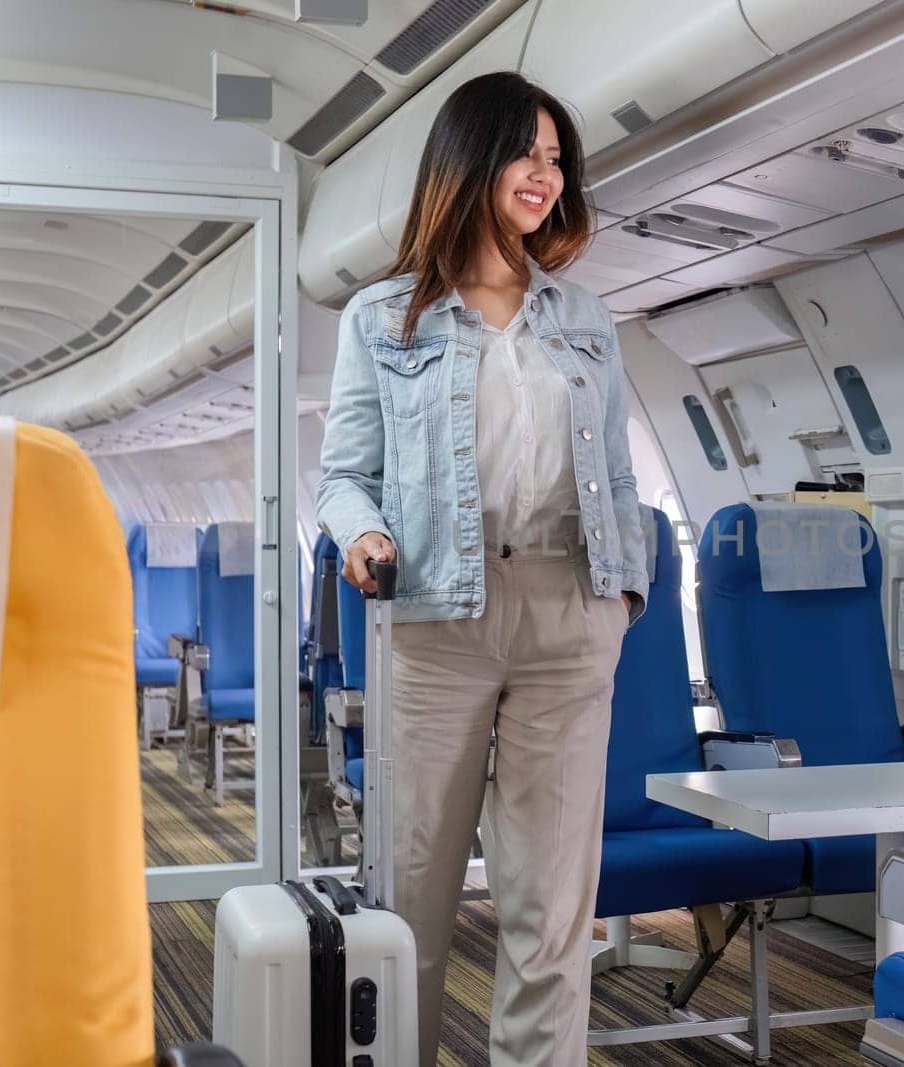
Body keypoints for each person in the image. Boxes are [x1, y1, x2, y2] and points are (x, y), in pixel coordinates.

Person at [315, 70, 647, 1067]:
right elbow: (341, 475)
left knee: (549, 902)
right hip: (438, 610)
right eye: (525, 152)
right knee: (412, 895)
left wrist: (621, 600)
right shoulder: (381, 318)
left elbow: (622, 477)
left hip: (568, 610)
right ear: (469, 159)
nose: (544, 175)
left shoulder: (586, 319)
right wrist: (362, 536)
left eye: (557, 158)